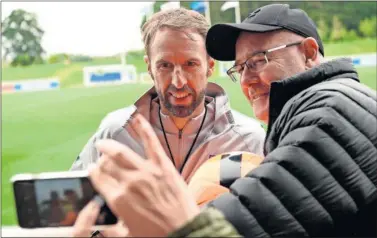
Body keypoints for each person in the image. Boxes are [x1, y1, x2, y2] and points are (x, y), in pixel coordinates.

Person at [73, 3, 377, 238]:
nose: (248, 79)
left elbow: (265, 215)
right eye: (241, 67)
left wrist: (180, 223)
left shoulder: (325, 111)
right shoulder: (115, 131)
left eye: (259, 60)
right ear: (150, 68)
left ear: (310, 53)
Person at [70, 8, 266, 183]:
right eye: (165, 65)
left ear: (210, 66)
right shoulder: (115, 133)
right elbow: (73, 205)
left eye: (191, 64)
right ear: (149, 67)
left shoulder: (249, 140)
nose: (178, 82)